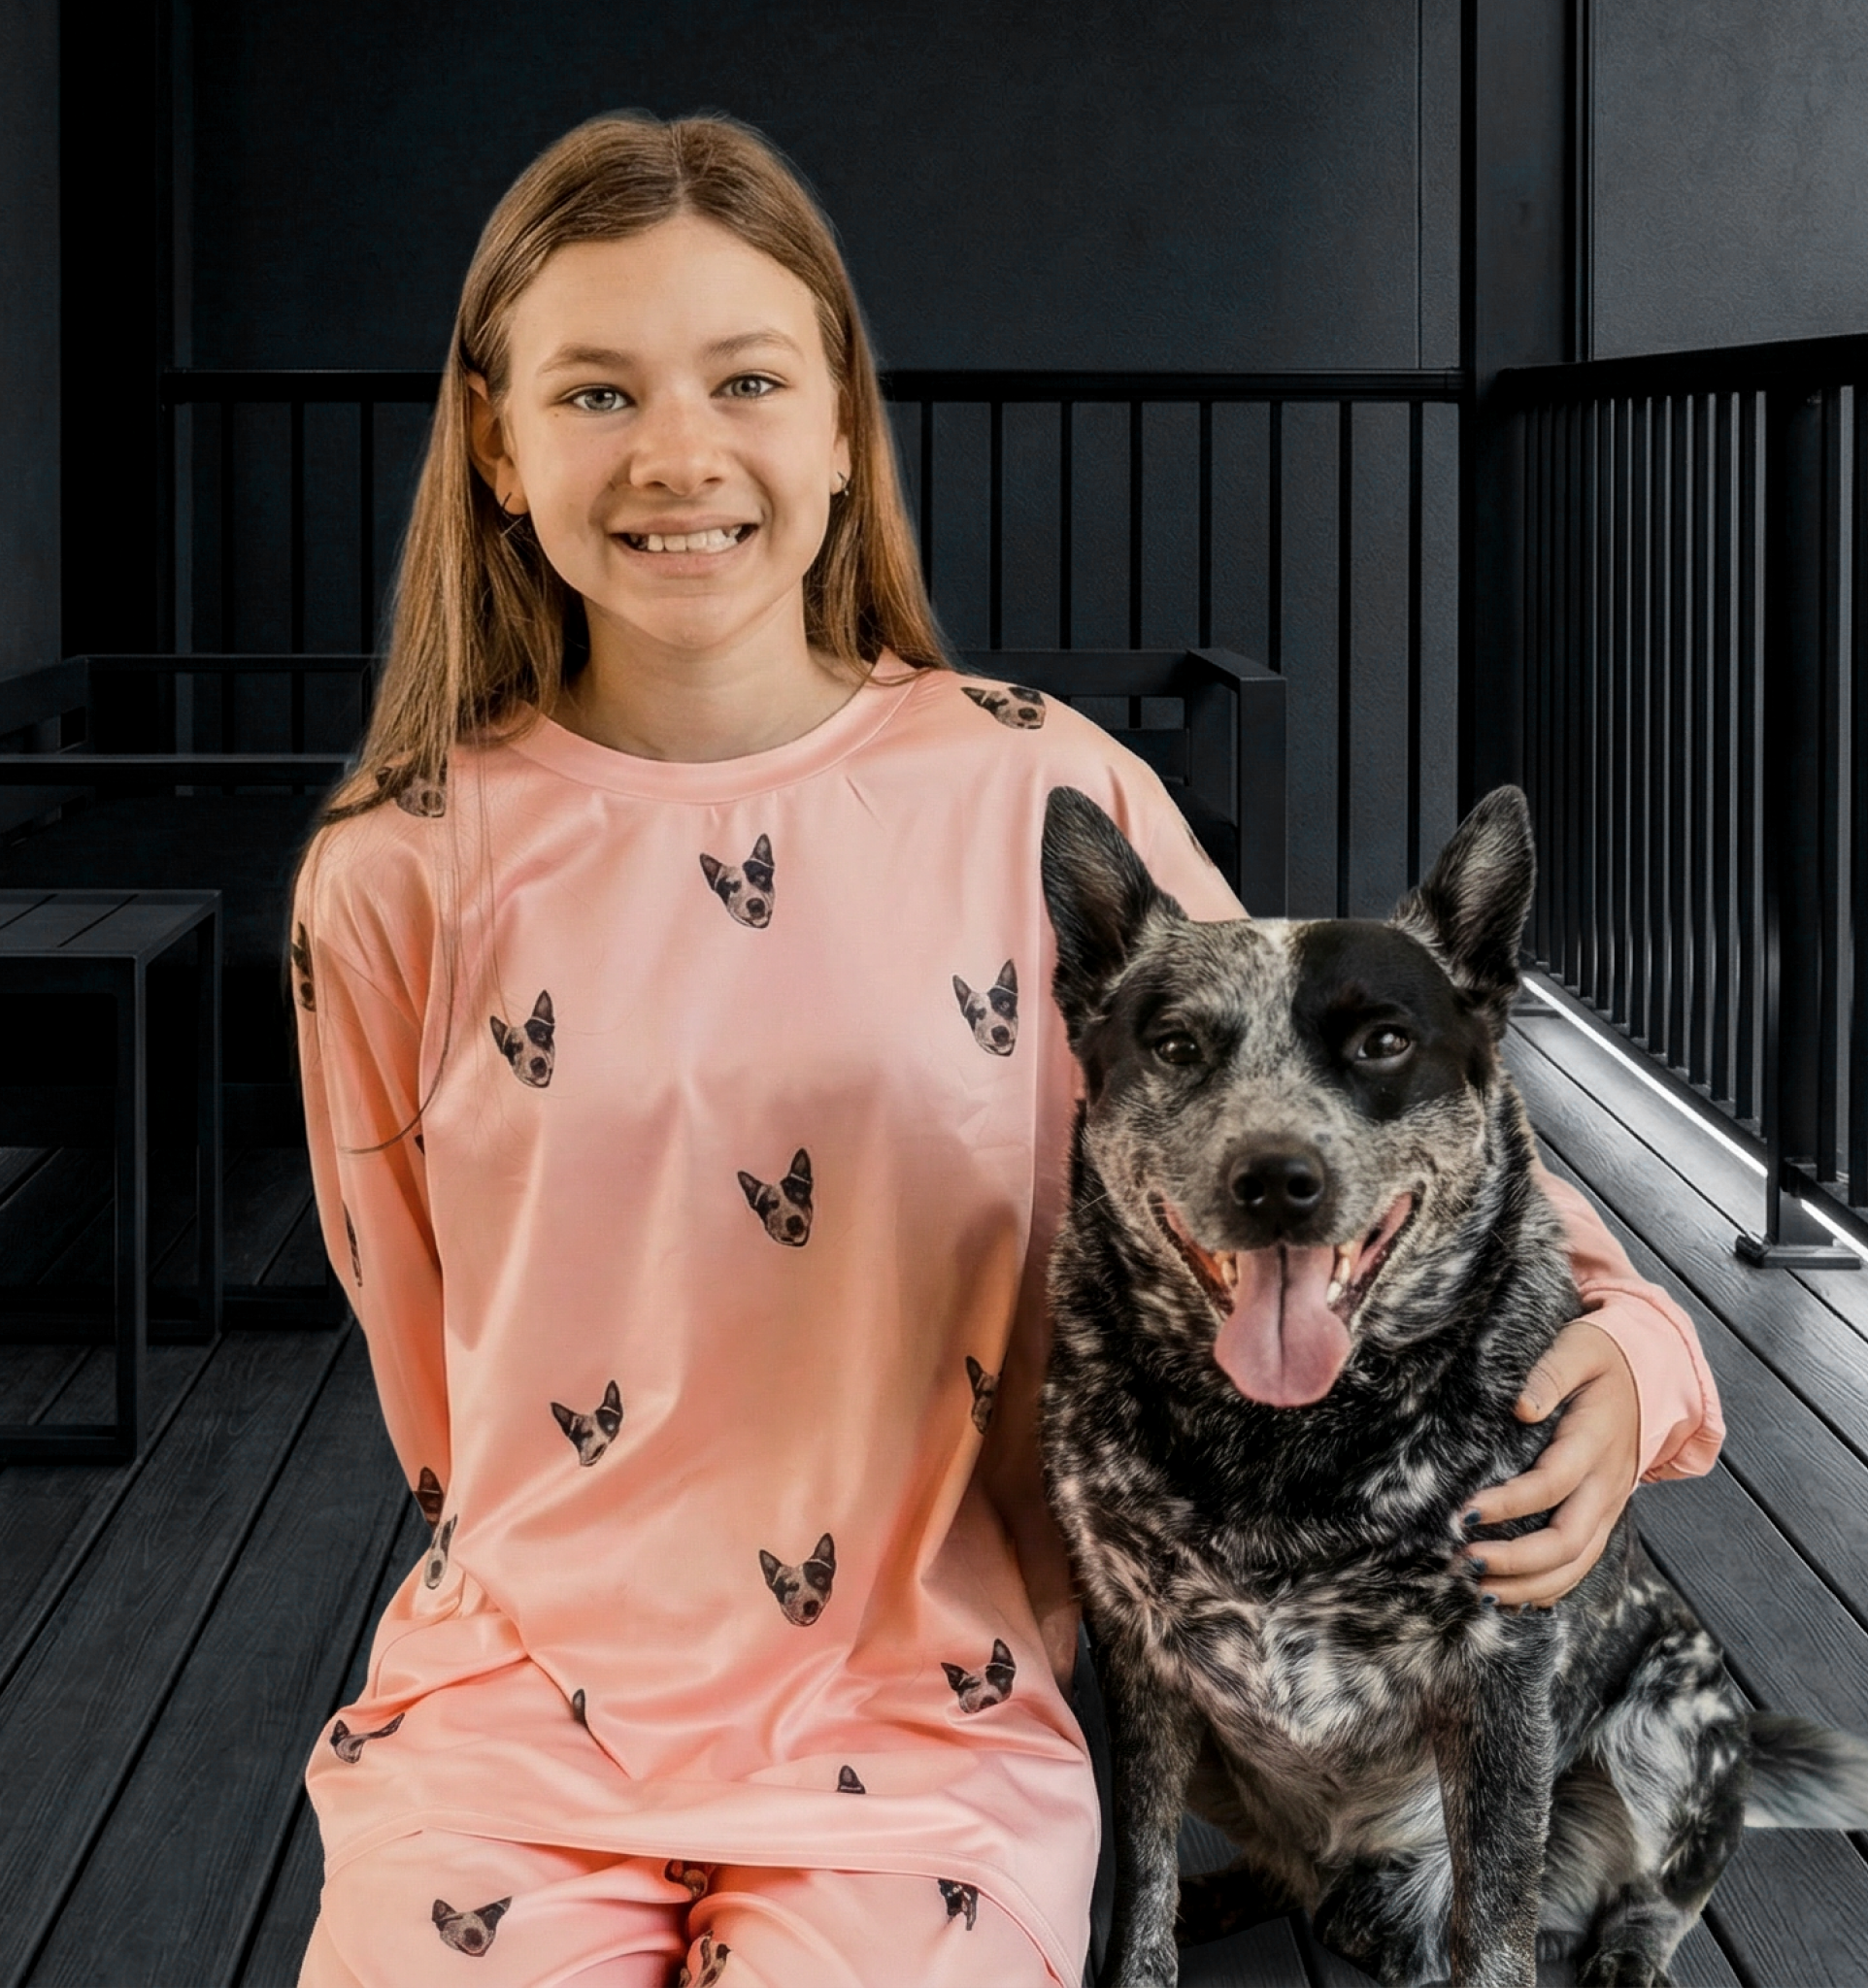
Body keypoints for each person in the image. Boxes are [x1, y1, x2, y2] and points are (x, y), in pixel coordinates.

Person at [286, 110, 1723, 1988]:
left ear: (838, 424)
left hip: (939, 1711)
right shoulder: (392, 872)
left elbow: (1403, 1124)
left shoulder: (1042, 786)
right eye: (594, 392)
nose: (679, 453)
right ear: (495, 442)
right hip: (519, 1714)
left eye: (745, 378)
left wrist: (1635, 1354)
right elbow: (426, 1367)